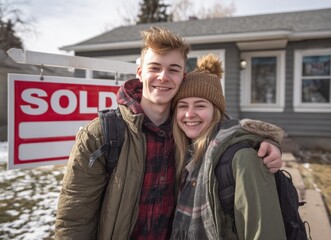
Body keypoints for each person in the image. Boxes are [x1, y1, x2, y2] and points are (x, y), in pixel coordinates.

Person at [55, 27, 283, 240]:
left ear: (182, 76)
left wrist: (261, 142)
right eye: (155, 67)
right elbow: (75, 218)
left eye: (173, 69)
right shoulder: (101, 134)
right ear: (140, 72)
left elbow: (225, 130)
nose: (163, 76)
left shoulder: (189, 132)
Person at [170, 54, 286, 239]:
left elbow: (264, 232)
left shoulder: (243, 157)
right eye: (182, 106)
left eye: (200, 106)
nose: (189, 114)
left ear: (216, 111)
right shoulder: (183, 154)